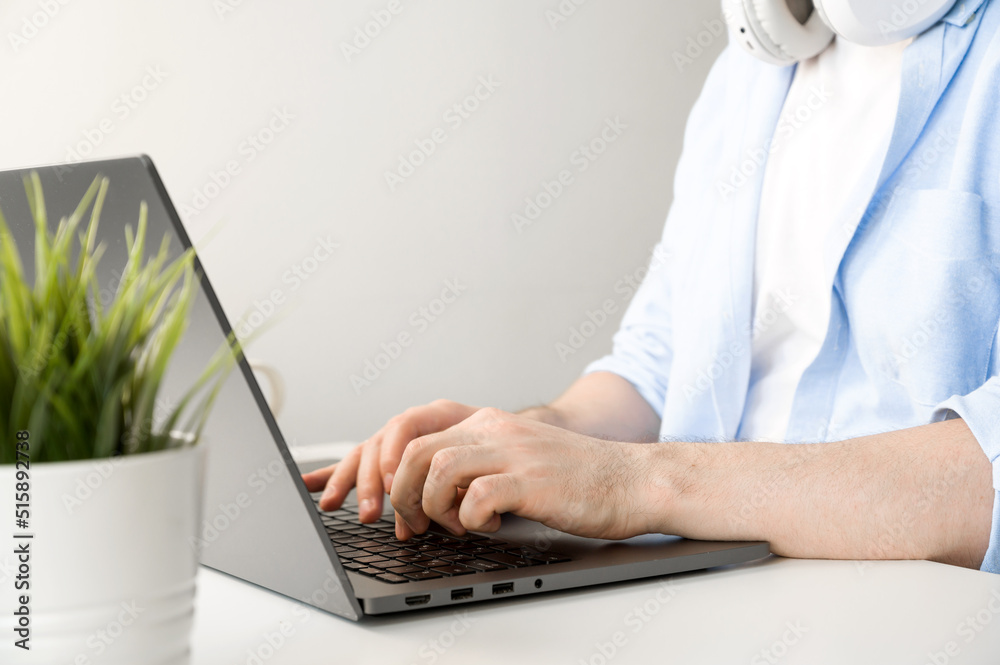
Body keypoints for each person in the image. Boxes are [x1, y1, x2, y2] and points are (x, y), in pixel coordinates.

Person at [303, 0, 1000, 573]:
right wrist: (526, 443)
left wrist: (638, 483)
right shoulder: (750, 74)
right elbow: (657, 368)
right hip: (710, 586)